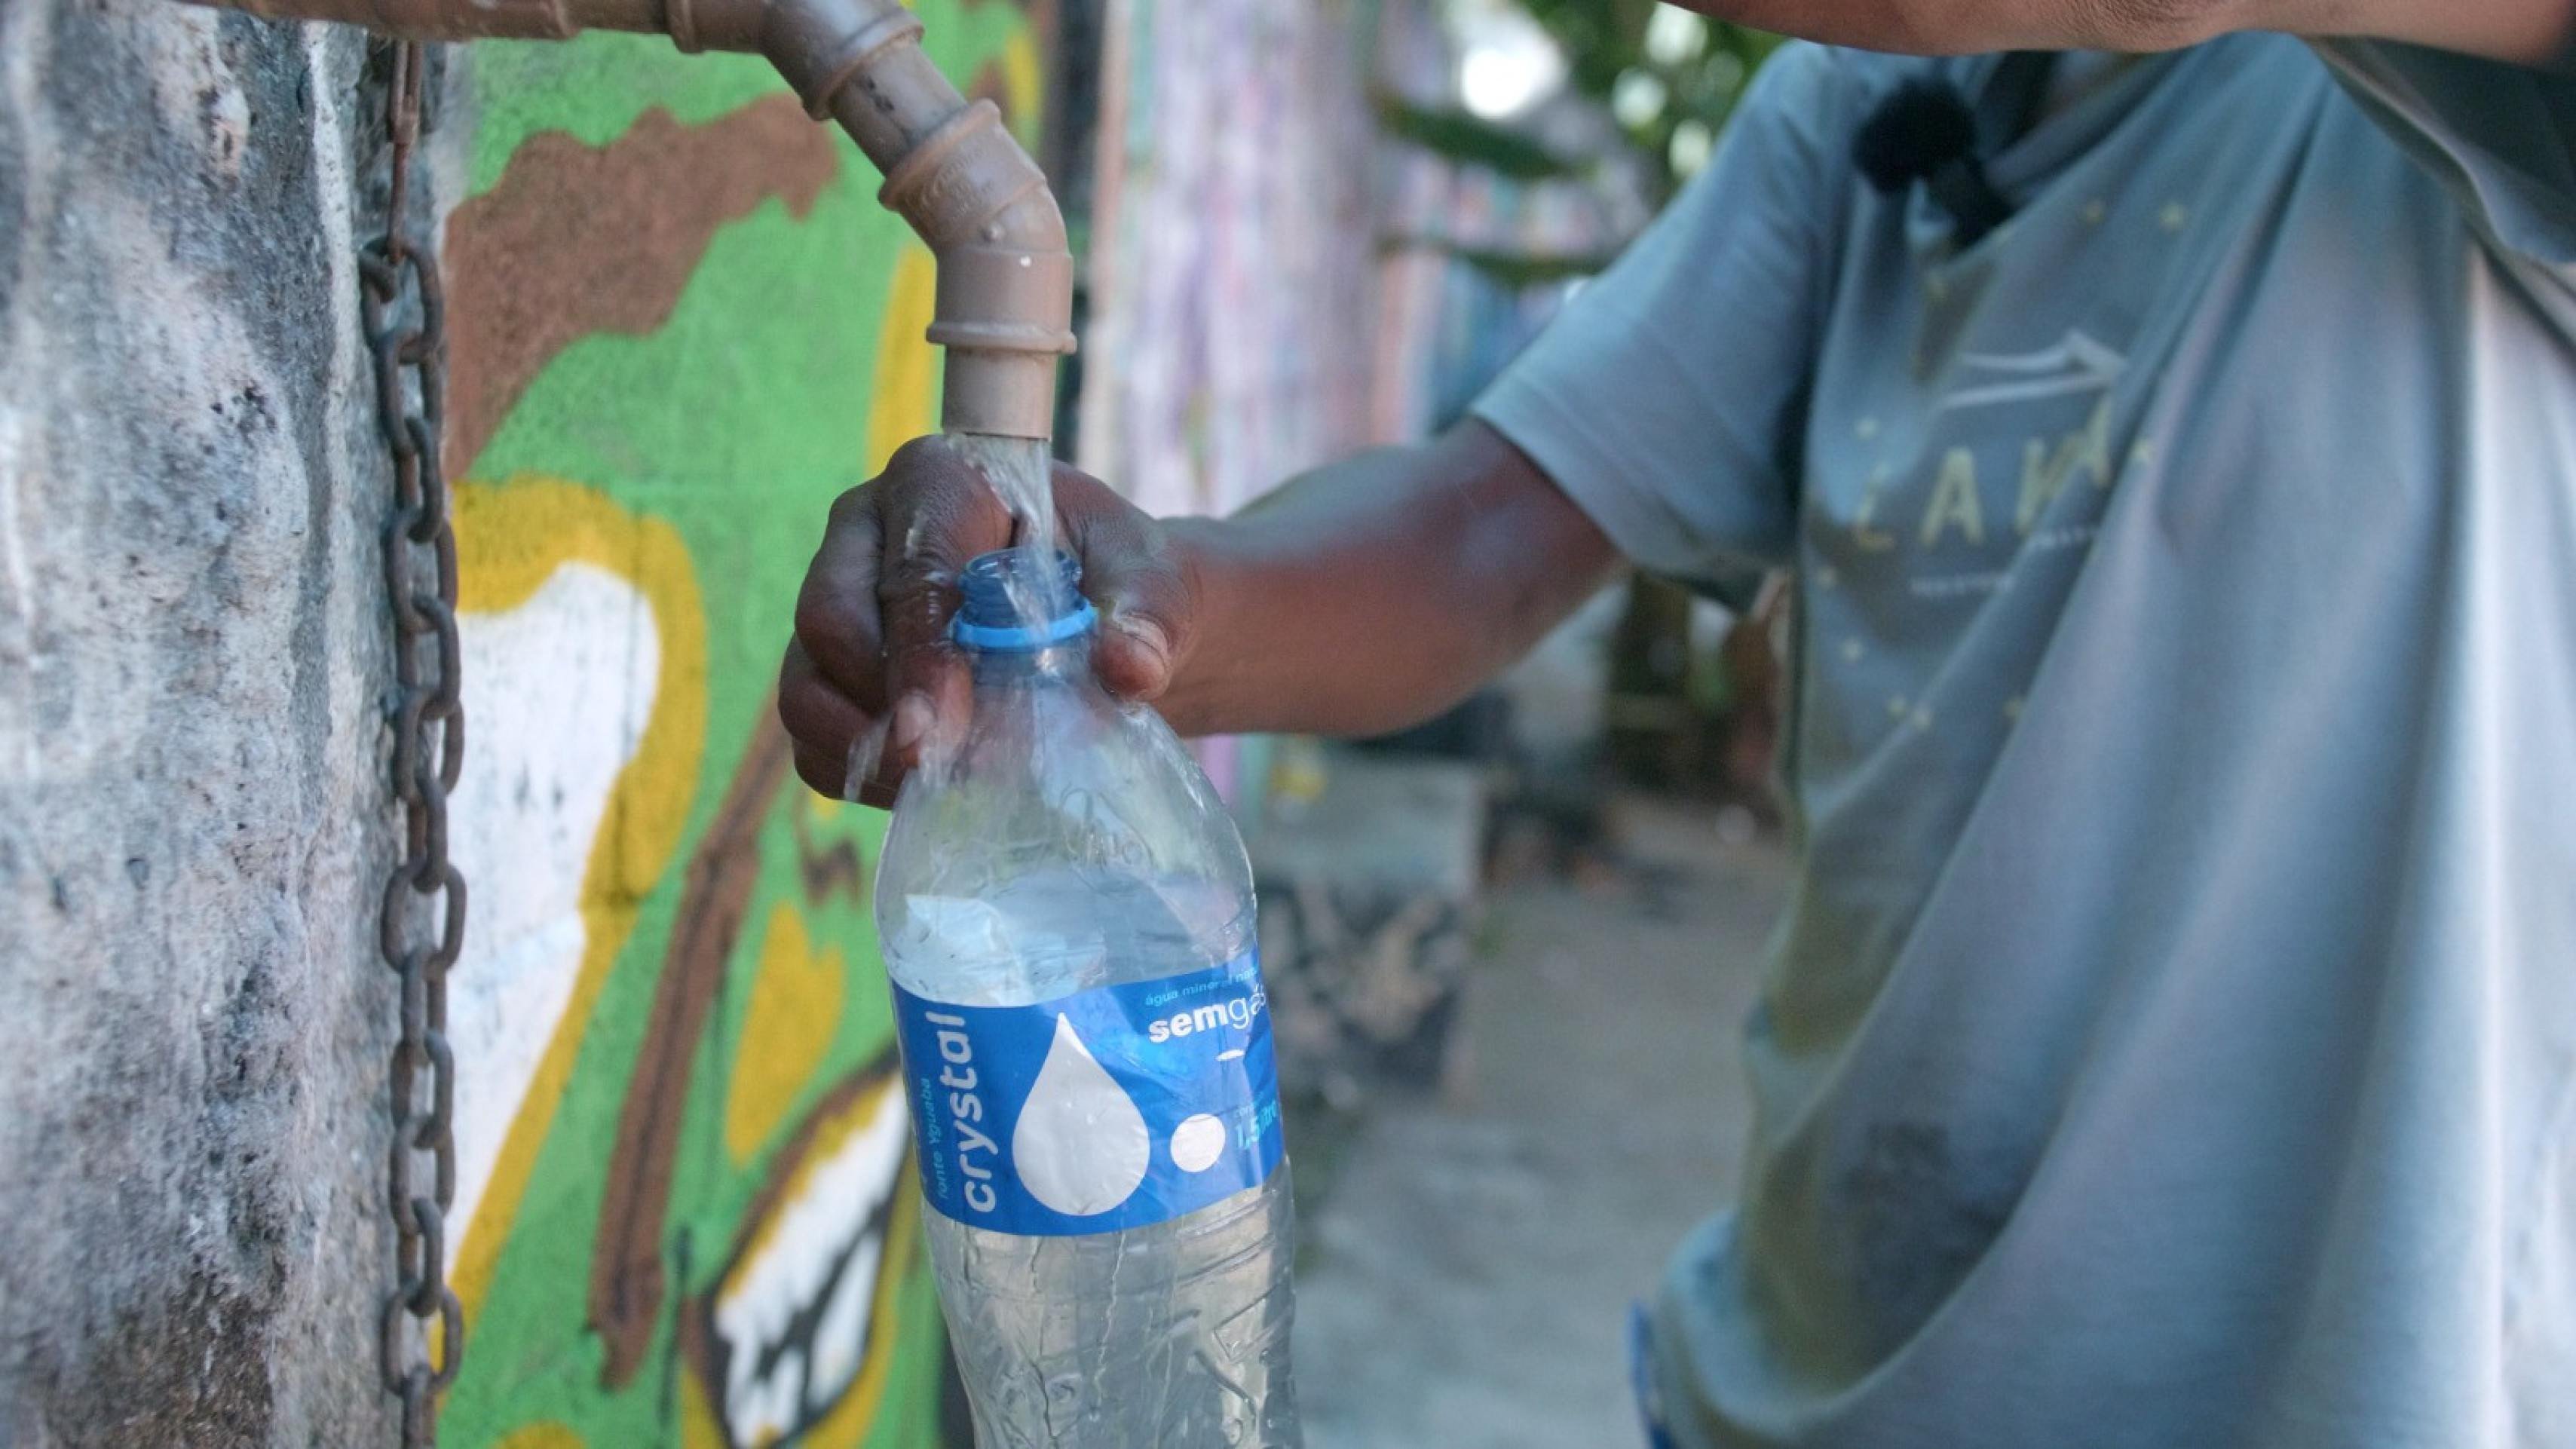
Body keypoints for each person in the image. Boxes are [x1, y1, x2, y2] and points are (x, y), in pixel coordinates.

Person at [779, 0, 2576, 1439]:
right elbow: (1489, 533)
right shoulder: (1854, 127)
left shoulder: (2456, 94)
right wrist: (1137, 599)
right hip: (1804, 1373)